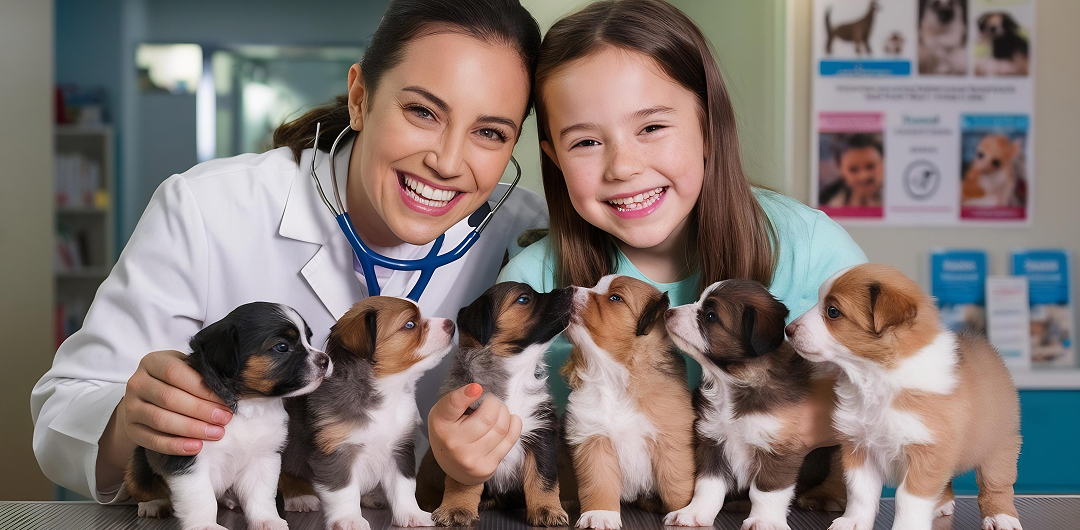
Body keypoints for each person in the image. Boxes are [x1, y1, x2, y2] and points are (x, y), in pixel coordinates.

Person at [32, 0, 543, 503]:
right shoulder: (209, 207)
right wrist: (129, 419)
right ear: (360, 97)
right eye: (422, 111)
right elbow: (62, 420)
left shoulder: (528, 238)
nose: (448, 161)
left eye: (490, 132)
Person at [427, 0, 867, 488]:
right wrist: (459, 455)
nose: (623, 166)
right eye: (585, 142)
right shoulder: (533, 284)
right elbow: (493, 444)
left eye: (652, 127)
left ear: (708, 123)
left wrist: (799, 416)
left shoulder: (810, 247)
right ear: (552, 155)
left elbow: (893, 388)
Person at [819, 133, 885, 208]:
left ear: (883, 163)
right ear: (839, 169)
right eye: (853, 170)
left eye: (870, 167)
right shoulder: (826, 203)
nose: (864, 176)